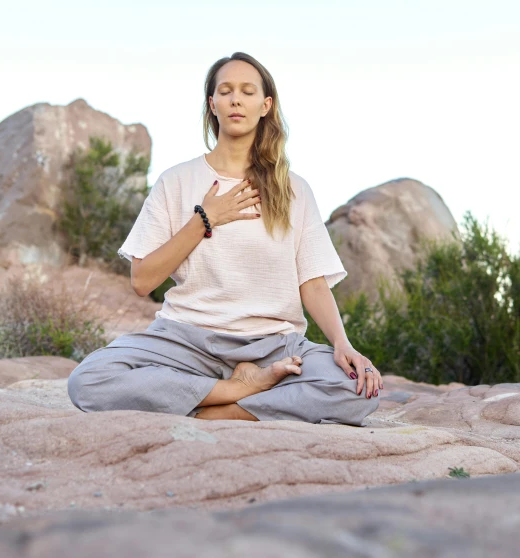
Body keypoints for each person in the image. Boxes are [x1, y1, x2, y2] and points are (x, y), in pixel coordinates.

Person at [67, 52, 383, 425]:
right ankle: (240, 390)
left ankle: (218, 411)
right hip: (184, 339)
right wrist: (205, 219)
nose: (236, 99)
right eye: (226, 90)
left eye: (248, 92)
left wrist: (343, 345)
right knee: (89, 380)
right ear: (212, 103)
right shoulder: (177, 181)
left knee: (355, 391)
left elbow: (312, 283)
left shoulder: (294, 190)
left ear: (266, 105)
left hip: (273, 344)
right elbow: (142, 280)